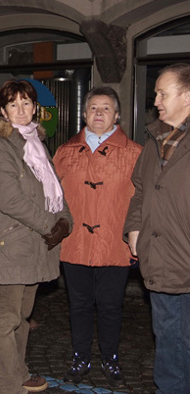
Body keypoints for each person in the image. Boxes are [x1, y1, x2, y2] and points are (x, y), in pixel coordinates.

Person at [0, 79, 72, 393]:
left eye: (26, 103)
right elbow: (10, 199)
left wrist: (66, 218)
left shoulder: (36, 144)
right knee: (6, 317)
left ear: (35, 108)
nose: (21, 109)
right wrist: (51, 226)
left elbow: (51, 190)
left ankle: (19, 372)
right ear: (2, 111)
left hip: (34, 242)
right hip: (11, 243)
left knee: (24, 315)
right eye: (13, 104)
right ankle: (6, 385)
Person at [54, 87, 142, 387]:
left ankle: (110, 358)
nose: (99, 113)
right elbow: (53, 198)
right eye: (93, 108)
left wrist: (137, 235)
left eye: (106, 108)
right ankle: (80, 357)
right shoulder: (65, 152)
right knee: (77, 305)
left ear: (117, 115)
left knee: (110, 306)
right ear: (84, 113)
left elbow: (142, 199)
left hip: (115, 245)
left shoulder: (134, 153)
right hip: (75, 243)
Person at [124, 63, 190, 394]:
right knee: (168, 339)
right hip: (160, 261)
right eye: (156, 94)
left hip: (186, 260)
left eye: (163, 93)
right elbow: (140, 189)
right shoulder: (154, 139)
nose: (156, 100)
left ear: (188, 95)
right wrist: (134, 227)